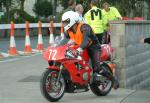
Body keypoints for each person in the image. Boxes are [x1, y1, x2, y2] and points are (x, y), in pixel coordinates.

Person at [61, 11, 119, 89]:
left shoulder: (84, 27)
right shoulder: (69, 30)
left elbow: (86, 40)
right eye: (63, 22)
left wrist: (78, 50)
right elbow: (63, 40)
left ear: (71, 20)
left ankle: (113, 79)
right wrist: (55, 46)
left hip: (93, 47)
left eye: (65, 22)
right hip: (80, 47)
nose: (64, 24)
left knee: (97, 68)